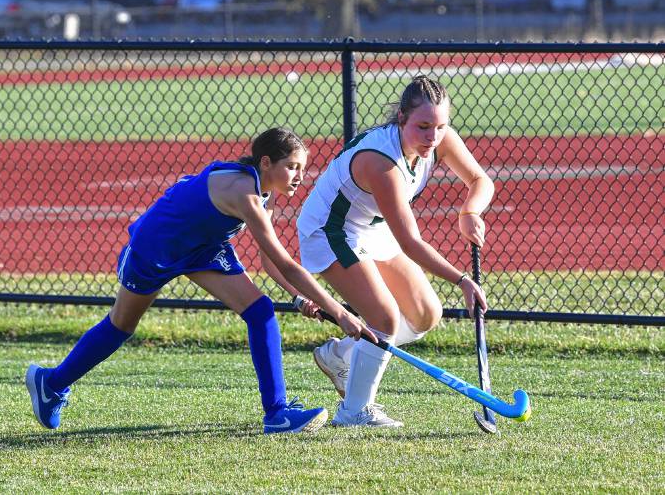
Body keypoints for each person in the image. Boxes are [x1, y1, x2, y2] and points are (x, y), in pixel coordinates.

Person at [25, 127, 376, 435]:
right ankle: (51, 383)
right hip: (158, 244)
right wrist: (340, 312)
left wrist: (299, 299)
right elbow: (286, 263)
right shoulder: (246, 195)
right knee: (121, 325)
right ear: (266, 162)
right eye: (292, 166)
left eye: (302, 168)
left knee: (260, 311)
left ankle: (277, 414)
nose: (299, 175)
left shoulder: (263, 195)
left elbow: (271, 263)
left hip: (203, 247)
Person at [296, 76, 493, 427]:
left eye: (440, 126)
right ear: (401, 118)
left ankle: (341, 354)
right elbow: (410, 243)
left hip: (372, 227)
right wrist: (461, 280)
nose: (433, 136)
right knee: (385, 317)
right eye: (423, 127)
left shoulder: (438, 139)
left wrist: (470, 212)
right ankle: (354, 411)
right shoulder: (382, 162)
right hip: (331, 230)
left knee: (424, 313)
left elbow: (481, 181)